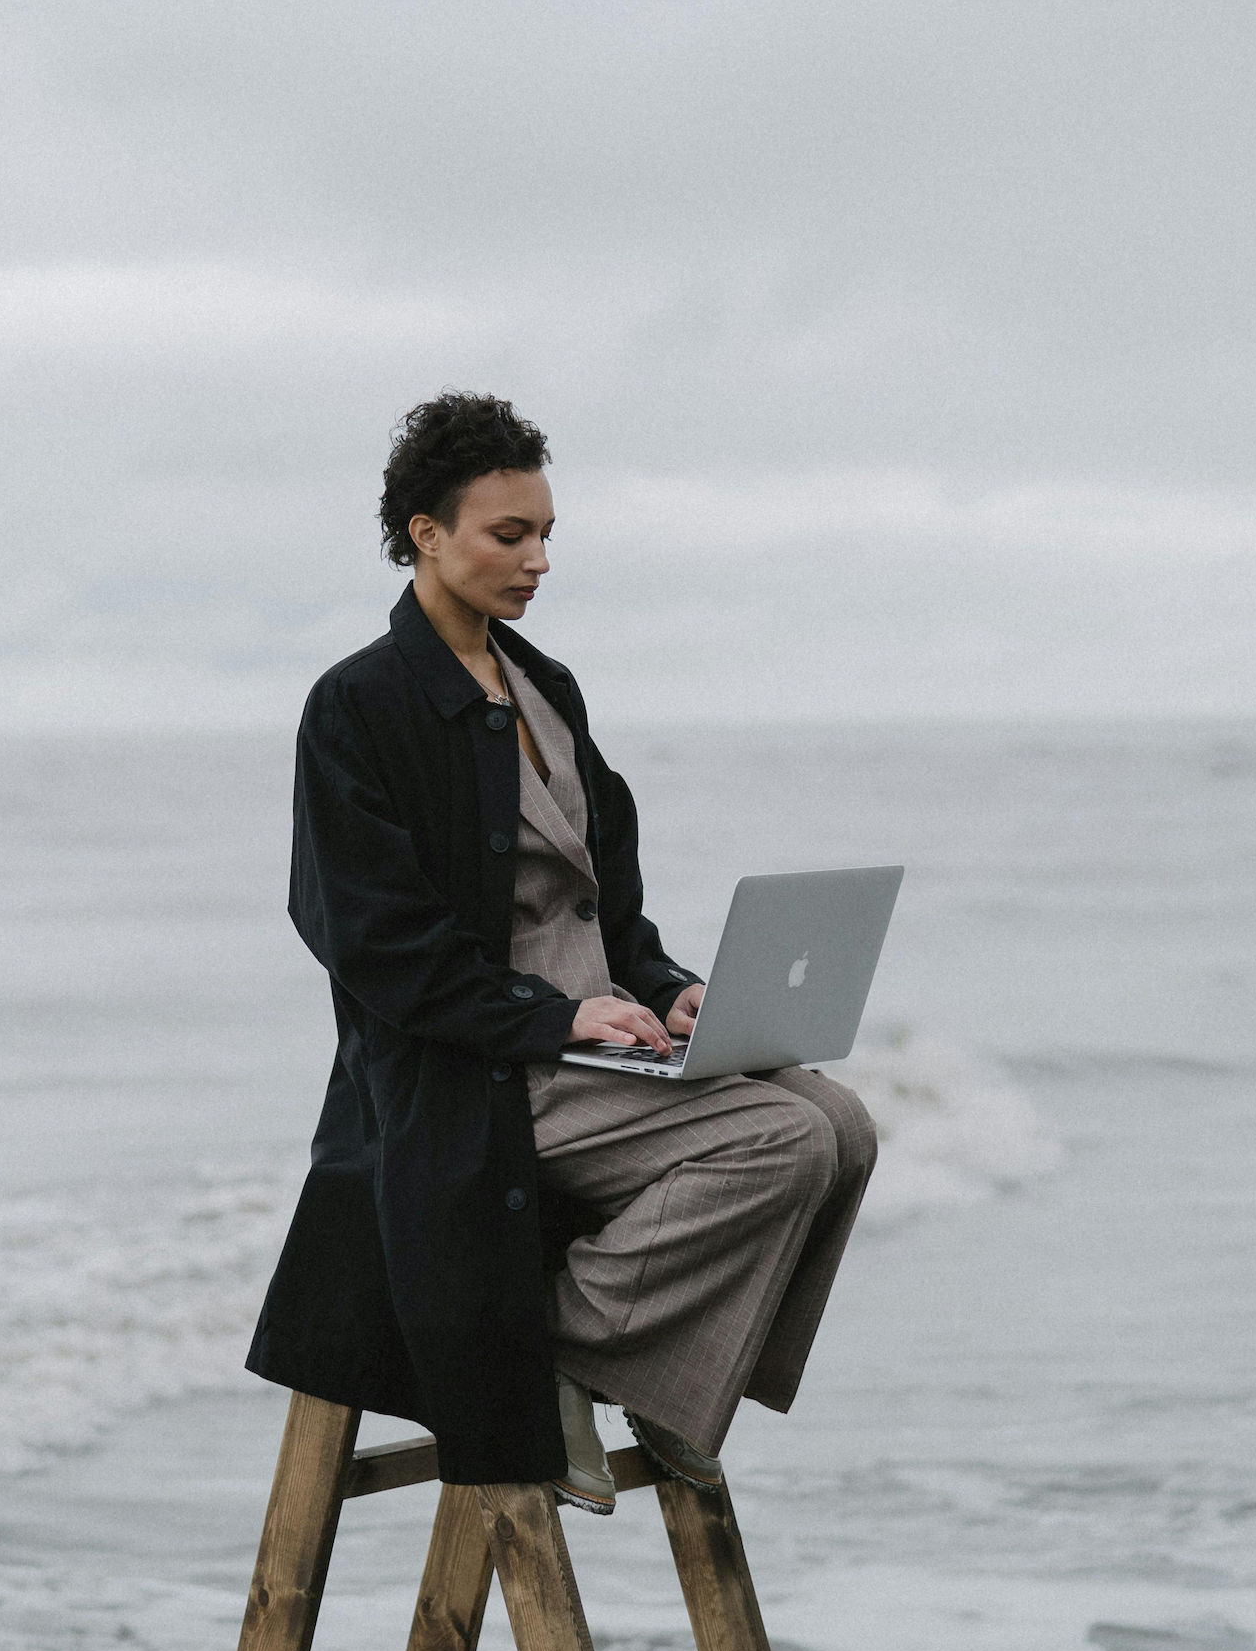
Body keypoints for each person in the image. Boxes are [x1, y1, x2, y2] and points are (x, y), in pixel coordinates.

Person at [247, 393, 876, 1512]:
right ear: (424, 533)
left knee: (844, 1126)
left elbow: (608, 914)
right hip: (473, 1075)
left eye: (545, 533)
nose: (536, 559)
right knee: (781, 1142)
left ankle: (669, 1383)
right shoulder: (357, 706)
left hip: (594, 1046)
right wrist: (553, 1018)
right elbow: (367, 941)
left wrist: (672, 991)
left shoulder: (546, 688)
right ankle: (569, 1355)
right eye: (507, 534)